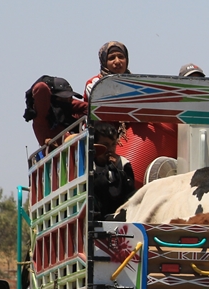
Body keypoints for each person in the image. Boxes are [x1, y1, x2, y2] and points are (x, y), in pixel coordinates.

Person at [85, 40, 177, 188]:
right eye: (111, 58)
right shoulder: (96, 83)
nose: (117, 62)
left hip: (122, 140)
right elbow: (109, 104)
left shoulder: (136, 83)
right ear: (103, 61)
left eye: (121, 57)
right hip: (100, 141)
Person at [87, 122, 135, 220]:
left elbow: (130, 194)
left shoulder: (123, 164)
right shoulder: (87, 164)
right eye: (105, 145)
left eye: (113, 144)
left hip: (118, 215)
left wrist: (118, 171)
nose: (110, 149)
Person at [26, 76, 86, 147]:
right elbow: (41, 87)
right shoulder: (42, 121)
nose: (68, 101)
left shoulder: (73, 117)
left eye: (70, 98)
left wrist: (69, 102)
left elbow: (90, 108)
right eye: (63, 98)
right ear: (51, 99)